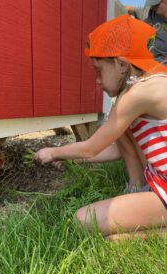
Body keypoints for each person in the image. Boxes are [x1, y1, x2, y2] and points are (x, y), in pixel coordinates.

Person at [34, 15, 167, 240]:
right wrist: (69, 157)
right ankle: (146, 207)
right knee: (122, 129)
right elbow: (114, 148)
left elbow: (91, 148)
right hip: (159, 177)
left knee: (84, 221)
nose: (97, 81)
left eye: (98, 71)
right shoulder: (146, 84)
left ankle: (157, 230)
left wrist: (52, 152)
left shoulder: (137, 95)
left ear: (122, 65)